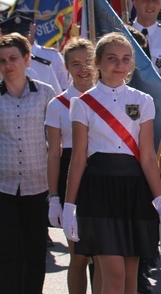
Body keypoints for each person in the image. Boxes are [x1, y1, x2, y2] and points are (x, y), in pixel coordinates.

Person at [63, 32, 161, 294]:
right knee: (113, 275)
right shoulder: (82, 103)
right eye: (112, 58)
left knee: (129, 278)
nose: (119, 64)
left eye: (126, 59)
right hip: (98, 191)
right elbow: (79, 158)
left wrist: (159, 201)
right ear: (98, 62)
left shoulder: (143, 100)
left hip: (133, 190)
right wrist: (69, 204)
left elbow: (147, 155)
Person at [0, 33, 57, 293]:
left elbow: (54, 146)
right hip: (0, 186)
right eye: (1, 60)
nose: (7, 65)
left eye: (13, 58)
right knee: (3, 250)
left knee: (34, 251)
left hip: (37, 187)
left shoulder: (46, 94)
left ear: (26, 59)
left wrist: (56, 191)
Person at [45, 37, 97, 294]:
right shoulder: (57, 105)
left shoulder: (111, 97)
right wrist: (54, 197)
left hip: (103, 176)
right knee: (78, 257)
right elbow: (53, 154)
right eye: (75, 64)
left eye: (88, 61)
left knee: (103, 256)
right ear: (66, 67)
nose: (83, 68)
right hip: (71, 178)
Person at [0, 13, 62, 93]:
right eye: (14, 39)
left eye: (24, 37)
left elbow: (55, 97)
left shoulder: (43, 66)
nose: (20, 43)